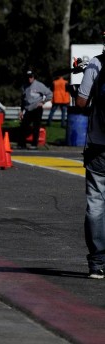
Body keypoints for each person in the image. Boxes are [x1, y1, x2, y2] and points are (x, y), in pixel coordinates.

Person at [76, 54, 105, 279]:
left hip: (98, 147)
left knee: (96, 204)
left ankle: (97, 263)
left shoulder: (96, 64)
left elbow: (81, 102)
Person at [18, 70, 52, 150]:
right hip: (28, 109)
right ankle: (22, 144)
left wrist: (42, 102)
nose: (29, 79)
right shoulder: (24, 86)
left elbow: (49, 94)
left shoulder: (39, 85)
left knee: (36, 126)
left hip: (37, 108)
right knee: (24, 125)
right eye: (28, 77)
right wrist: (21, 110)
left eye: (31, 77)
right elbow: (23, 99)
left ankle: (34, 144)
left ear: (33, 77)